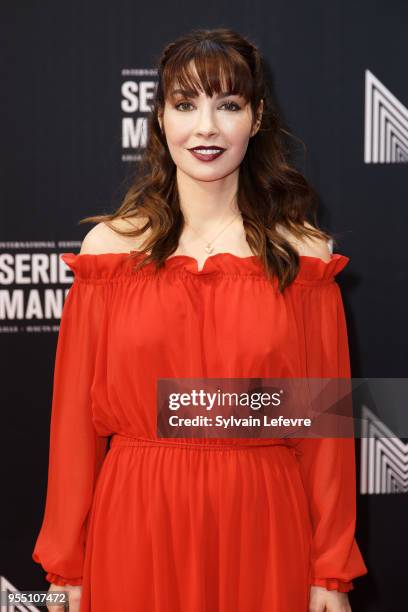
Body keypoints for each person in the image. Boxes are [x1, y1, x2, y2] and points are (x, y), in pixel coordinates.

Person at [32, 27, 368, 612]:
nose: (206, 127)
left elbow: (325, 433)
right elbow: (73, 428)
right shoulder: (108, 251)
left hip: (264, 518)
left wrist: (329, 572)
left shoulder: (304, 257)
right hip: (137, 517)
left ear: (257, 118)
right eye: (185, 104)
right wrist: (67, 563)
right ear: (160, 118)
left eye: (228, 105)